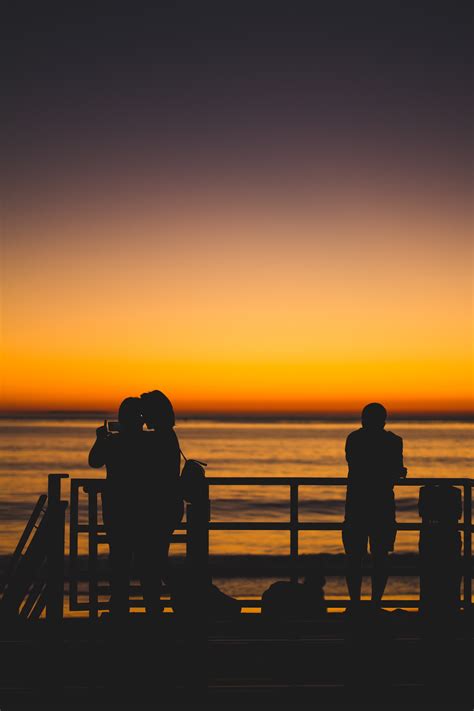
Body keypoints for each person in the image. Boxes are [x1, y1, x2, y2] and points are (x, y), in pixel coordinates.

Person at [89, 396, 170, 617]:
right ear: (141, 420)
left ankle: (119, 610)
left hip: (117, 510)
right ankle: (153, 610)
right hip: (145, 511)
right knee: (147, 564)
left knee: (119, 562)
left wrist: (100, 439)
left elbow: (94, 461)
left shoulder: (112, 441)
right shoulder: (151, 442)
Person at [342, 403, 407, 611]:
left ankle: (355, 603)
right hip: (382, 505)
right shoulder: (394, 441)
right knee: (380, 557)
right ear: (384, 420)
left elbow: (356, 465)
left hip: (357, 504)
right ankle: (375, 603)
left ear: (363, 419)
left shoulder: (354, 439)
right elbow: (394, 470)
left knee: (354, 557)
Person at [139, 390, 184, 589]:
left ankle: (184, 594)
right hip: (169, 505)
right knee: (156, 559)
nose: (143, 417)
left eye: (145, 412)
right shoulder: (166, 435)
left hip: (161, 508)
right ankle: (180, 595)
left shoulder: (158, 439)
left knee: (153, 561)